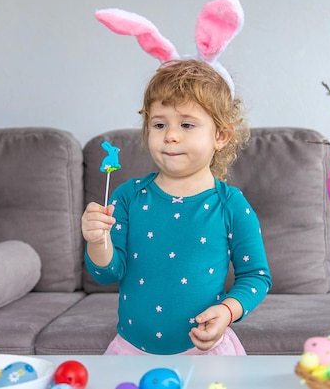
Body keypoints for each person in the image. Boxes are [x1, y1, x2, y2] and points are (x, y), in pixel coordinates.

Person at [81, 59, 272, 355]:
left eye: (186, 124)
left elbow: (256, 276)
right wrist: (97, 241)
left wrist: (227, 311)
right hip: (131, 351)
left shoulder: (231, 205)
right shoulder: (128, 197)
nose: (170, 135)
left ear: (220, 136)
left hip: (206, 353)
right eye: (159, 124)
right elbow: (107, 274)